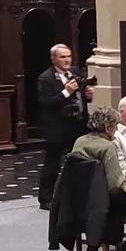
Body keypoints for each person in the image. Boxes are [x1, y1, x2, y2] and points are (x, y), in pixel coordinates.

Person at [37, 44, 94, 210]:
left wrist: (87, 95)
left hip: (77, 125)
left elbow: (81, 96)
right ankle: (46, 198)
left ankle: (77, 194)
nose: (67, 59)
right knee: (52, 164)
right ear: (54, 59)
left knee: (80, 160)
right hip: (57, 127)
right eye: (62, 57)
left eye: (68, 56)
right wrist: (65, 92)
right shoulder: (45, 78)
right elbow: (45, 103)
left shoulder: (76, 72)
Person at [72, 106, 126, 205]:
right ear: (108, 129)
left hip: (79, 196)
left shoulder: (79, 141)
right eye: (116, 126)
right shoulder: (107, 147)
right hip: (102, 200)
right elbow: (116, 185)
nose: (116, 130)